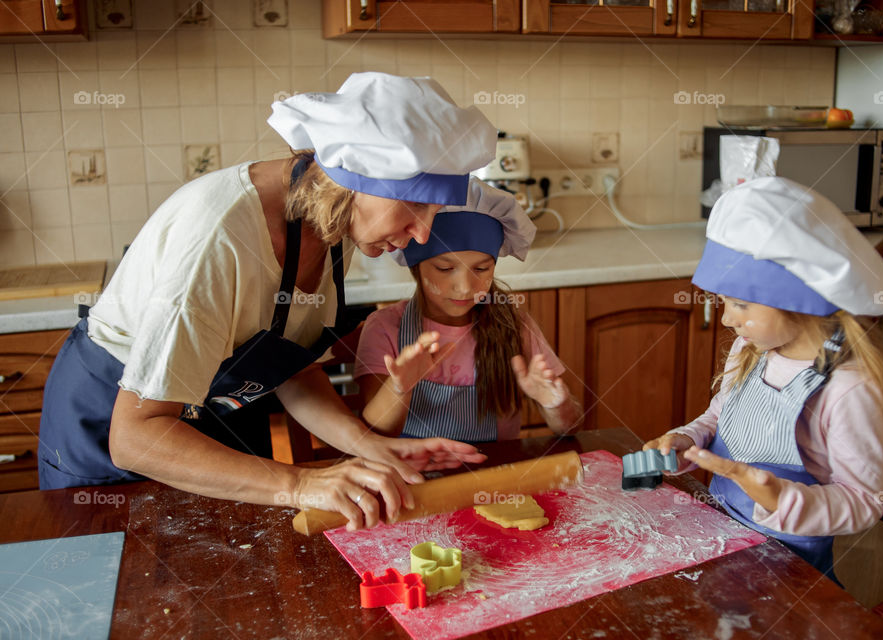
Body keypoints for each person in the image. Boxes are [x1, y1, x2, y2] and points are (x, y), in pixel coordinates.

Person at [38, 72, 497, 531]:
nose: (422, 234)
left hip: (217, 423)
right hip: (114, 438)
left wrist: (365, 442)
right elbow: (135, 437)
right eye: (417, 207)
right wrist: (299, 485)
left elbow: (288, 368)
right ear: (356, 180)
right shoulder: (220, 237)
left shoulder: (334, 219)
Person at [643, 177, 883, 581]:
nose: (728, 319)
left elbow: (862, 503)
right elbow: (720, 417)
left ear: (798, 301)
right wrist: (689, 439)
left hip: (789, 569)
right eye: (722, 303)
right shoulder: (749, 350)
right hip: (720, 533)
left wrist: (781, 498)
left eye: (740, 304)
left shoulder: (848, 389)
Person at [353, 178, 583, 442]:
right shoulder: (385, 327)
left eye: (482, 269)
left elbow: (572, 426)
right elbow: (374, 433)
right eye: (445, 269)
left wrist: (556, 404)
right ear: (416, 268)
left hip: (496, 473)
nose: (465, 288)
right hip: (414, 474)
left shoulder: (514, 323)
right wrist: (398, 390)